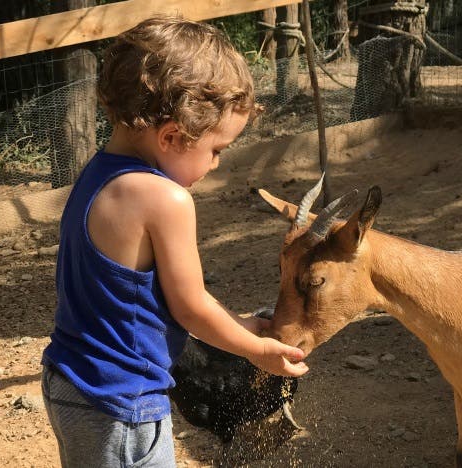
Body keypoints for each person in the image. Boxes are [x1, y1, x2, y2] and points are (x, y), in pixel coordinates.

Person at [40, 16, 308, 467]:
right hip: (124, 402)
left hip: (72, 383)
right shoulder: (166, 199)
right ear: (172, 136)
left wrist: (240, 324)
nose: (217, 165)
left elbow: (137, 302)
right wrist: (259, 350)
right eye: (216, 150)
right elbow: (191, 307)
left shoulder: (97, 175)